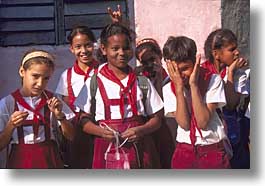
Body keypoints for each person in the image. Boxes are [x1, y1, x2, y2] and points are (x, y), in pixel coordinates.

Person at [74, 23, 163, 169]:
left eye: (126, 48)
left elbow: (157, 119)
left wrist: (141, 130)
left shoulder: (141, 82)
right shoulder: (94, 82)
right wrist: (101, 132)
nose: (121, 53)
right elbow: (84, 120)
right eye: (115, 48)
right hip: (105, 148)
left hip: (139, 147)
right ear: (103, 49)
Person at [162, 36, 230, 168]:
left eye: (185, 68)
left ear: (195, 62)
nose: (180, 75)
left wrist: (194, 85)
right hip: (184, 150)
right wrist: (179, 89)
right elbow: (184, 124)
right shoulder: (169, 87)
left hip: (211, 148)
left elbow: (202, 122)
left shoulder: (212, 80)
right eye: (175, 70)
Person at [0, 49, 75, 168]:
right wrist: (10, 125)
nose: (40, 83)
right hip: (20, 161)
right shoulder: (8, 103)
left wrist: (60, 116)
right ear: (22, 71)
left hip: (49, 159)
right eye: (35, 76)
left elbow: (71, 136)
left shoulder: (53, 100)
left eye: (46, 78)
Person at [202, 28, 250, 168]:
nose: (237, 52)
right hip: (211, 135)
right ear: (216, 54)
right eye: (231, 49)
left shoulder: (239, 74)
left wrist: (230, 73)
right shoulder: (203, 74)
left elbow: (230, 104)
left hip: (232, 131)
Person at [55, 25, 99, 168]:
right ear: (72, 49)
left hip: (101, 131)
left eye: (88, 45)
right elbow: (64, 106)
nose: (84, 51)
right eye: (78, 47)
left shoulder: (104, 71)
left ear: (95, 45)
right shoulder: (66, 76)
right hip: (75, 136)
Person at [135, 38, 175, 168]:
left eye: (152, 59)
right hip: (148, 129)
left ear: (160, 56)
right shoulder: (139, 79)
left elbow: (161, 105)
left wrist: (158, 78)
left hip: (167, 129)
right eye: (145, 62)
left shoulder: (170, 78)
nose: (150, 64)